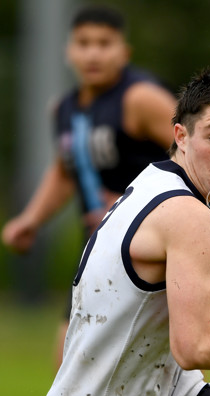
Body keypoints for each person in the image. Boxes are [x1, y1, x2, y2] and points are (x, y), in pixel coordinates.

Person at [45, 66, 210, 396]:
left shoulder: (151, 181)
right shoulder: (189, 215)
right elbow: (193, 349)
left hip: (156, 384)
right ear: (181, 135)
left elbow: (162, 325)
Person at [1, 5, 177, 368]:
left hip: (145, 249)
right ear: (69, 51)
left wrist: (137, 202)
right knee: (68, 361)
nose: (93, 53)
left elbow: (197, 154)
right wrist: (31, 220)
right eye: (83, 43)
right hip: (97, 249)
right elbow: (65, 171)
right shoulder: (65, 108)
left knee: (149, 368)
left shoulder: (139, 99)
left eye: (104, 43)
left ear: (124, 52)